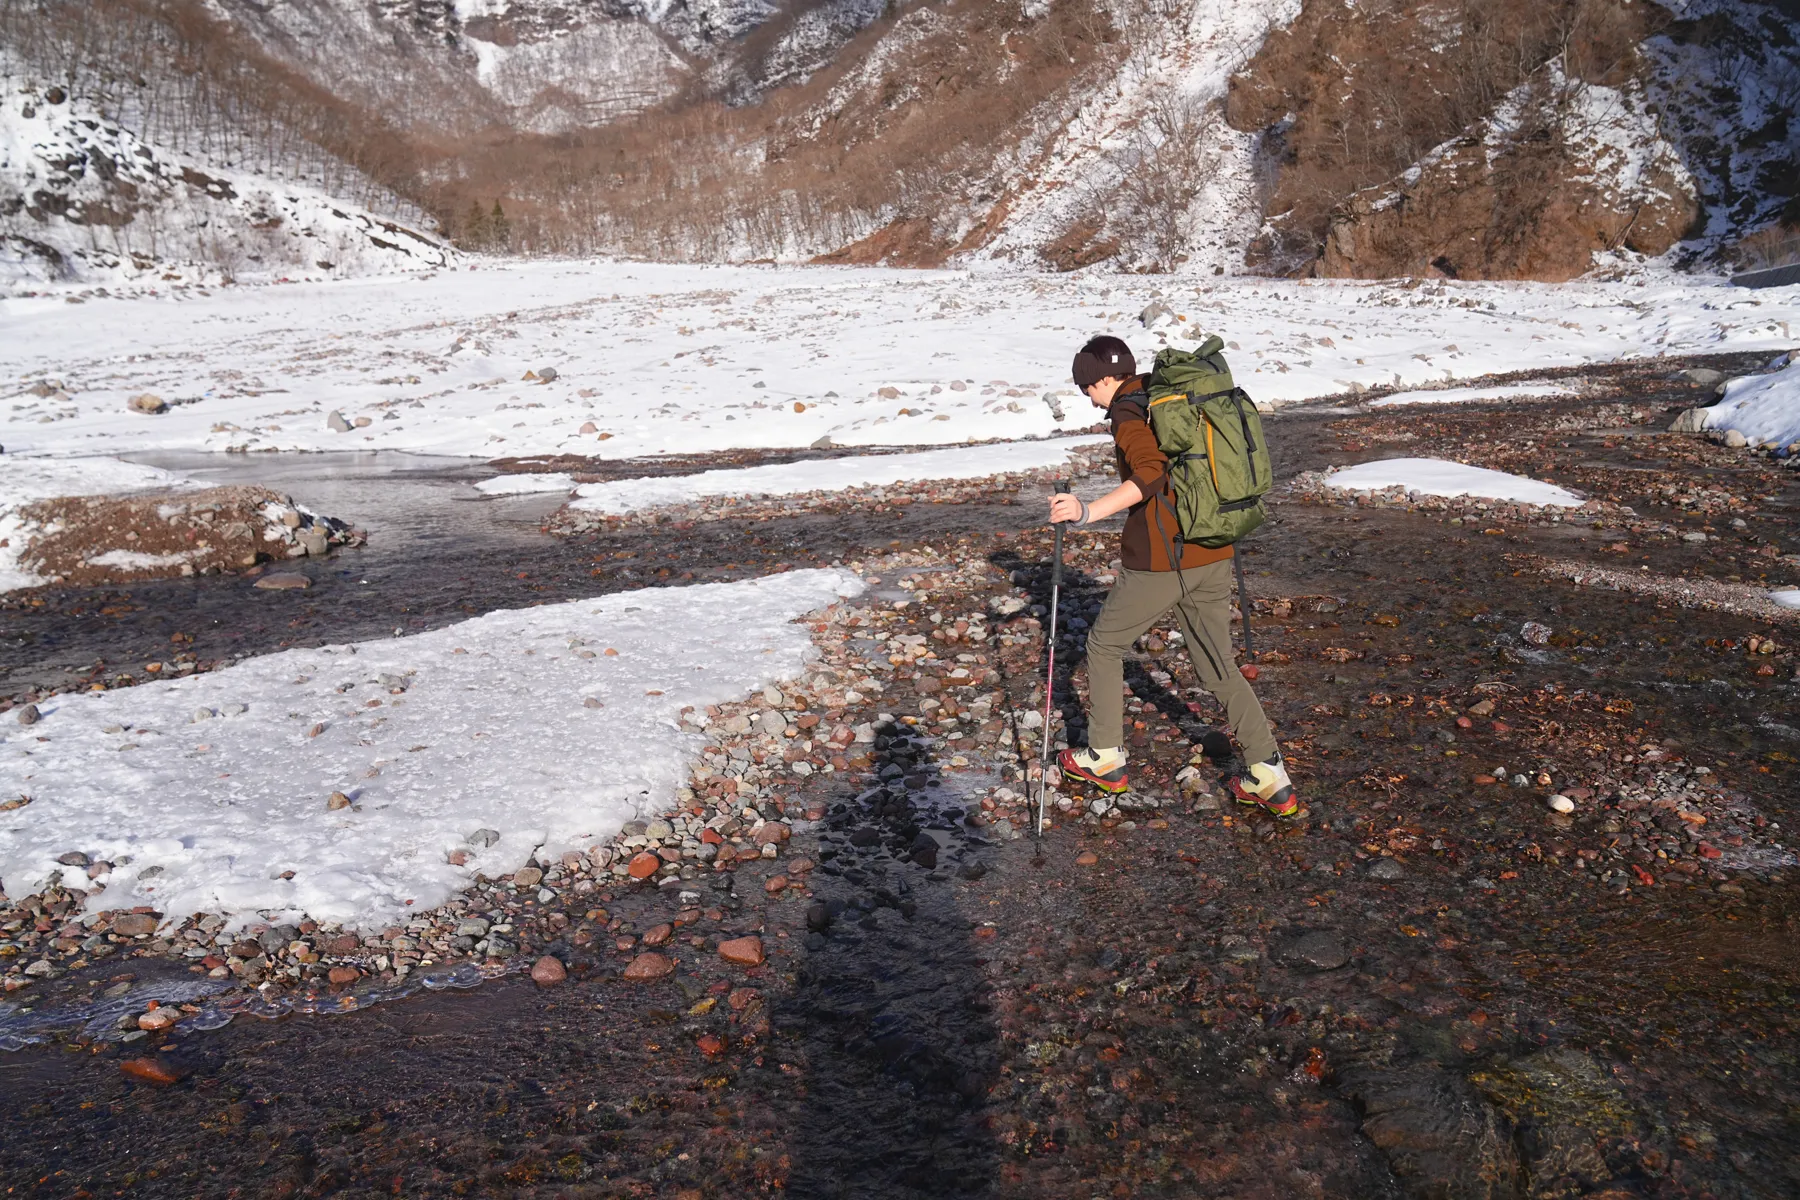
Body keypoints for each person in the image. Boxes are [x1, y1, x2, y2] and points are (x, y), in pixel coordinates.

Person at [1048, 334, 1298, 817]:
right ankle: (1270, 775)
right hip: (1214, 547)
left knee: (1103, 647)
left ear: (1100, 381)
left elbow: (1150, 473)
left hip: (1163, 561)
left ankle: (1103, 757)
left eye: (1086, 388)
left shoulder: (1127, 412)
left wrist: (1087, 511)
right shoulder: (1169, 394)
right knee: (1217, 666)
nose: (1088, 398)